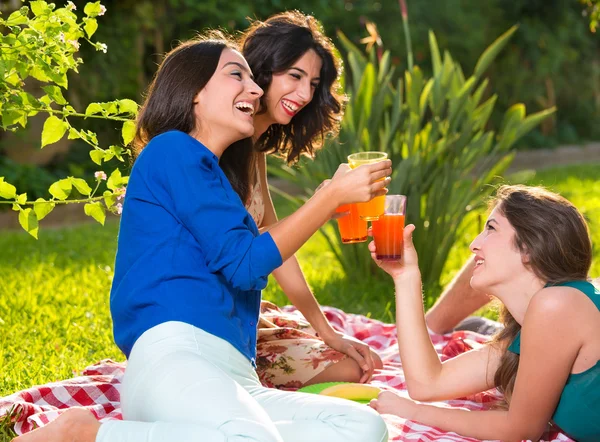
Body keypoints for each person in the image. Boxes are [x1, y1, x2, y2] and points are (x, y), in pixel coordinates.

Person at [14, 35, 391, 442]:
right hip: (176, 357)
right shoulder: (172, 150)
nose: (255, 89)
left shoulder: (220, 182)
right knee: (250, 438)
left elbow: (260, 252)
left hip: (237, 372)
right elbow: (246, 262)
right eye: (236, 75)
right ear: (194, 93)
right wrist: (329, 197)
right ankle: (87, 434)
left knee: (363, 426)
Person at [218, 11, 383, 388]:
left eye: (313, 83)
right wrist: (327, 200)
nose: (306, 95)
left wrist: (325, 331)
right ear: (262, 69)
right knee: (348, 371)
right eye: (294, 76)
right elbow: (252, 253)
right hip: (209, 320)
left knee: (355, 364)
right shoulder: (216, 145)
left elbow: (275, 241)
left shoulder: (252, 147)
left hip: (241, 312)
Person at [368, 185, 600, 442]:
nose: (473, 245)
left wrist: (415, 412)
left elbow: (520, 429)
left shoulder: (558, 305)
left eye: (491, 228)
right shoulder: (532, 327)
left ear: (529, 247)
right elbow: (427, 383)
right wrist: (405, 276)